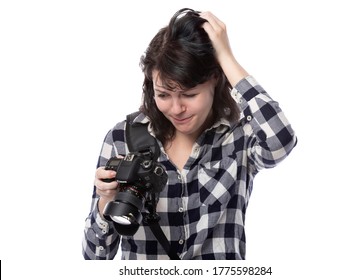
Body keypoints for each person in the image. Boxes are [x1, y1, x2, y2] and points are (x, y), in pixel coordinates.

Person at [82, 8, 297, 260]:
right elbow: (94, 258)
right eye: (163, 95)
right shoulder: (122, 138)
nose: (176, 109)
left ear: (215, 79)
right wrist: (105, 202)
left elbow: (281, 140)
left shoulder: (237, 136)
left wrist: (226, 57)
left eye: (189, 94)